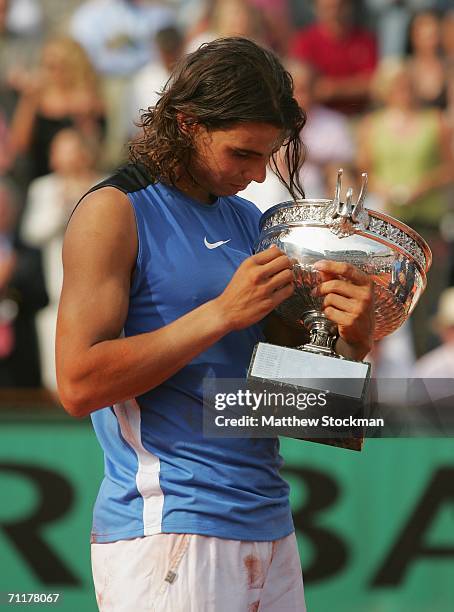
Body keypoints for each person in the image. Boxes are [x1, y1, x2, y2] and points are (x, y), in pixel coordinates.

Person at [56, 37, 374, 611]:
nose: (256, 177)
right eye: (241, 154)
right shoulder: (113, 212)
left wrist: (355, 338)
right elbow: (78, 384)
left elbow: (319, 414)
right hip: (168, 528)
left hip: (269, 525)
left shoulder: (247, 218)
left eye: (267, 156)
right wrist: (221, 314)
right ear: (186, 123)